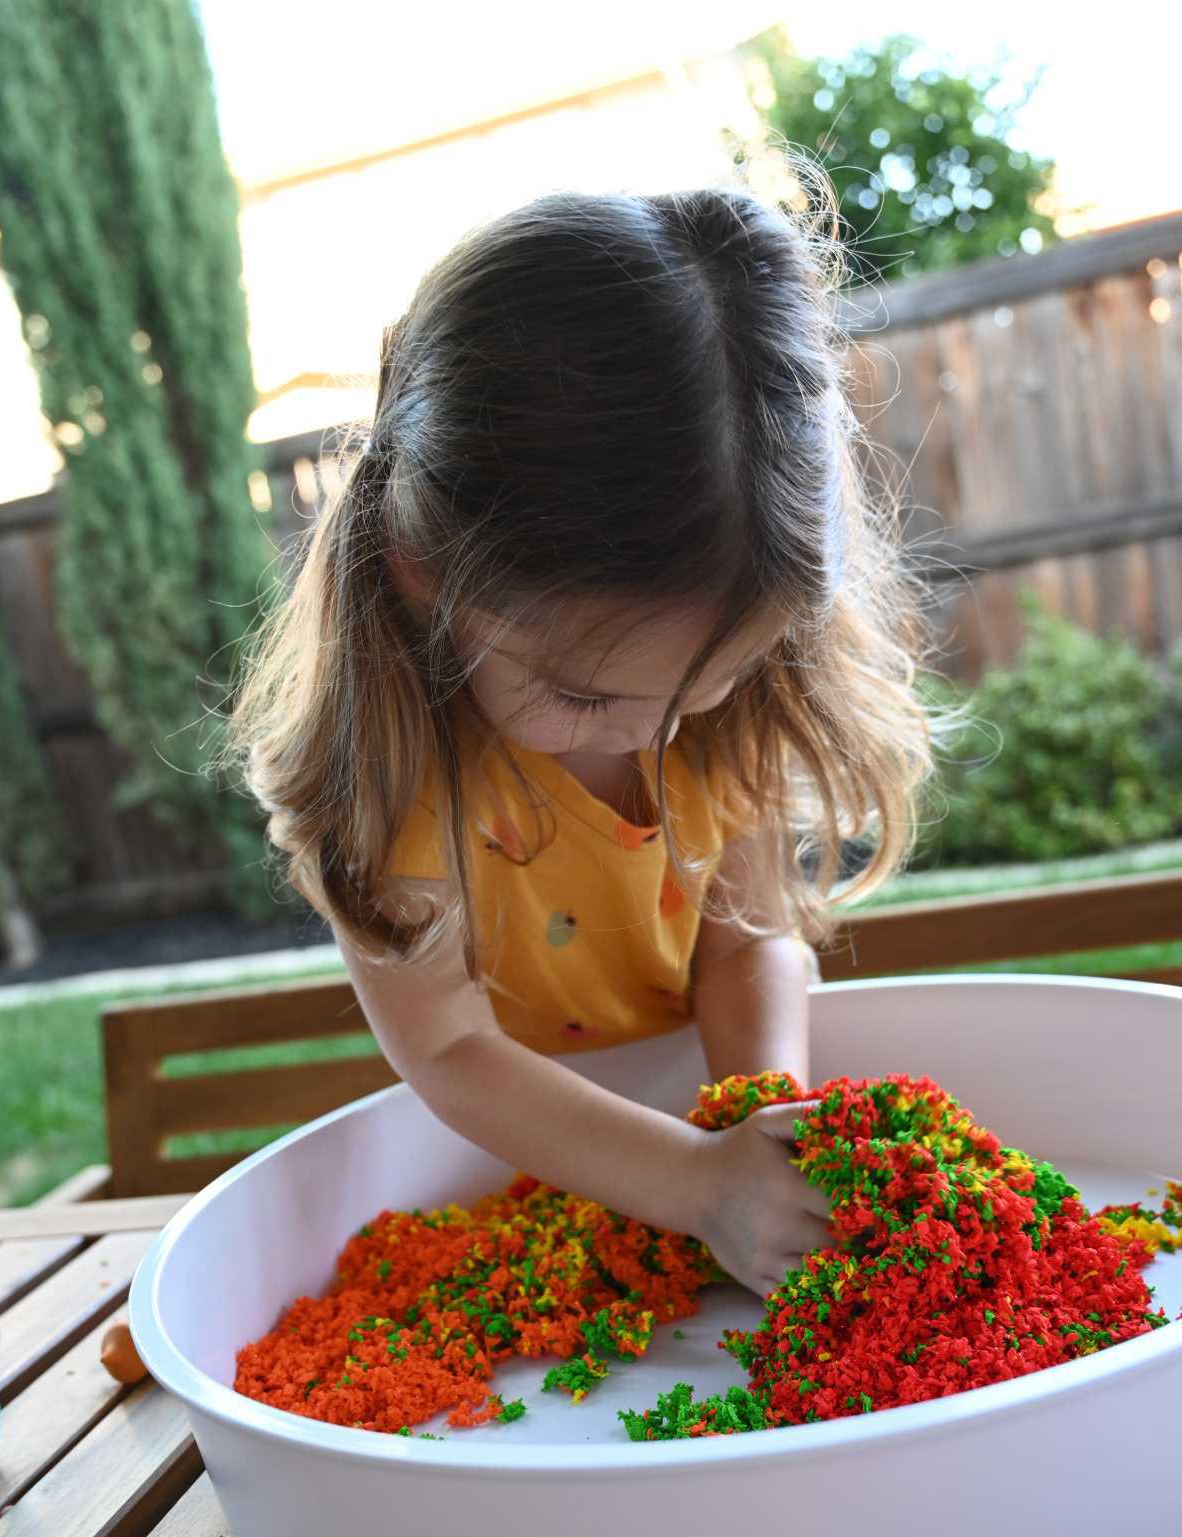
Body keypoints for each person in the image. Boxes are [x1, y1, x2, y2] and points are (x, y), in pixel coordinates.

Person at [229, 186, 936, 1297]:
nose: (659, 734)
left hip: (692, 1172)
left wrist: (760, 1135)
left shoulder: (720, 710)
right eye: (586, 694)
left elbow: (745, 942)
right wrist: (701, 1186)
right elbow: (451, 1052)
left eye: (714, 681)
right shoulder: (406, 785)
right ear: (429, 579)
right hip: (517, 1182)